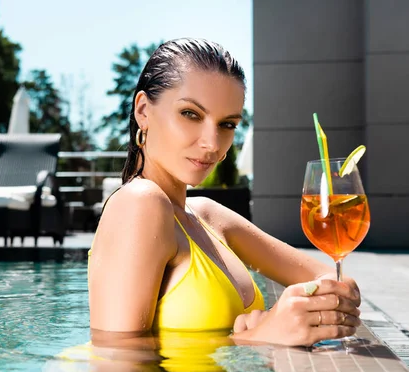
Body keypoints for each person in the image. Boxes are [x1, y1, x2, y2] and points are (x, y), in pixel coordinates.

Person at [88, 38, 361, 350]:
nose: (212, 143)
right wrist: (258, 335)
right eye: (190, 114)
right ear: (143, 111)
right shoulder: (139, 203)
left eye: (227, 124)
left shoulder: (206, 214)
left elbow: (332, 279)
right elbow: (115, 362)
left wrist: (290, 314)